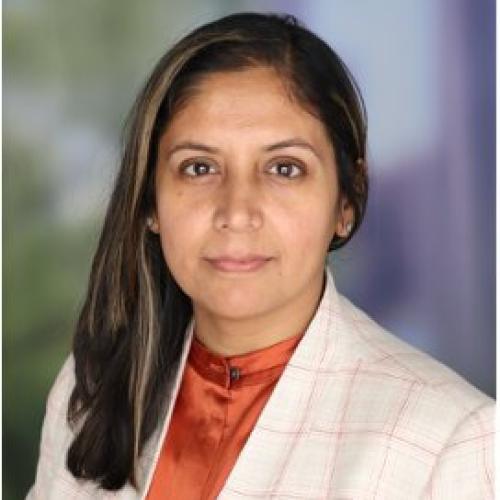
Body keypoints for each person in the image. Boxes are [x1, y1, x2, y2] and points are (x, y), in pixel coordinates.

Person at [27, 11, 494, 500]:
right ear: (149, 202)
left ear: (346, 201)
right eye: (199, 167)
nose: (237, 212)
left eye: (284, 168)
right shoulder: (91, 389)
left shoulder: (451, 442)